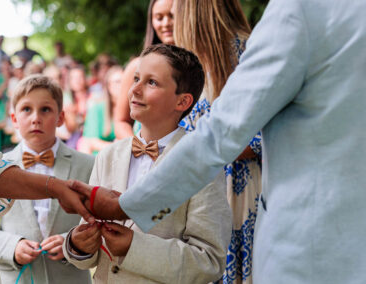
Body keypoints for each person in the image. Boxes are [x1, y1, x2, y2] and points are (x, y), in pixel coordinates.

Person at [73, 0, 366, 283]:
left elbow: (220, 135)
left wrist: (127, 205)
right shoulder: (111, 157)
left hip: (294, 234)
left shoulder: (300, 12)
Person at [63, 44, 231, 283]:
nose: (135, 90)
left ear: (182, 102)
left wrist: (135, 247)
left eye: (151, 82)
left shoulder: (201, 164)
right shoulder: (107, 157)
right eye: (136, 79)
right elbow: (89, 249)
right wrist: (78, 245)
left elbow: (209, 261)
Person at [0, 81, 93, 283]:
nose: (36, 118)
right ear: (14, 119)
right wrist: (12, 246)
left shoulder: (88, 165)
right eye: (26, 109)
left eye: (45, 109)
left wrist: (72, 243)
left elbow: (98, 225)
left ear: (61, 117)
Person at [174, 1, 260, 283]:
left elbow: (263, 133)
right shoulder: (192, 60)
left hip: (239, 186)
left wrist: (210, 148)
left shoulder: (246, 51)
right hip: (212, 184)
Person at [114, 0, 174, 139]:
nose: (166, 23)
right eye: (159, 18)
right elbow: (120, 121)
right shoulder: (137, 66)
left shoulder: (200, 66)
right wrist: (140, 150)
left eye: (172, 16)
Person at [78, 65, 123, 154]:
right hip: (101, 157)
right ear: (109, 86)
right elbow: (90, 141)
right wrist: (118, 147)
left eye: (124, 81)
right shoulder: (97, 108)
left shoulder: (133, 109)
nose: (121, 85)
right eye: (117, 82)